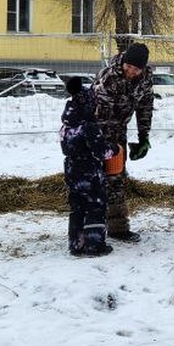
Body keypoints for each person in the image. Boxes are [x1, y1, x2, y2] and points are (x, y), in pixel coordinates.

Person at [91, 42, 154, 243]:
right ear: (124, 62)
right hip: (97, 132)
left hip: (119, 131)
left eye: (136, 69)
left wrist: (144, 136)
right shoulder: (108, 77)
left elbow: (145, 106)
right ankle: (91, 227)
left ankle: (117, 228)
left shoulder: (145, 80)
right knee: (99, 179)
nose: (131, 72)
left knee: (117, 178)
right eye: (129, 67)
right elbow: (101, 112)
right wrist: (109, 146)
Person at [61, 76, 119, 257]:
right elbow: (101, 152)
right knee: (95, 206)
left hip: (71, 170)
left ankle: (76, 245)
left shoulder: (66, 125)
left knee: (77, 207)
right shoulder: (89, 127)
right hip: (90, 172)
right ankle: (94, 245)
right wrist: (115, 149)